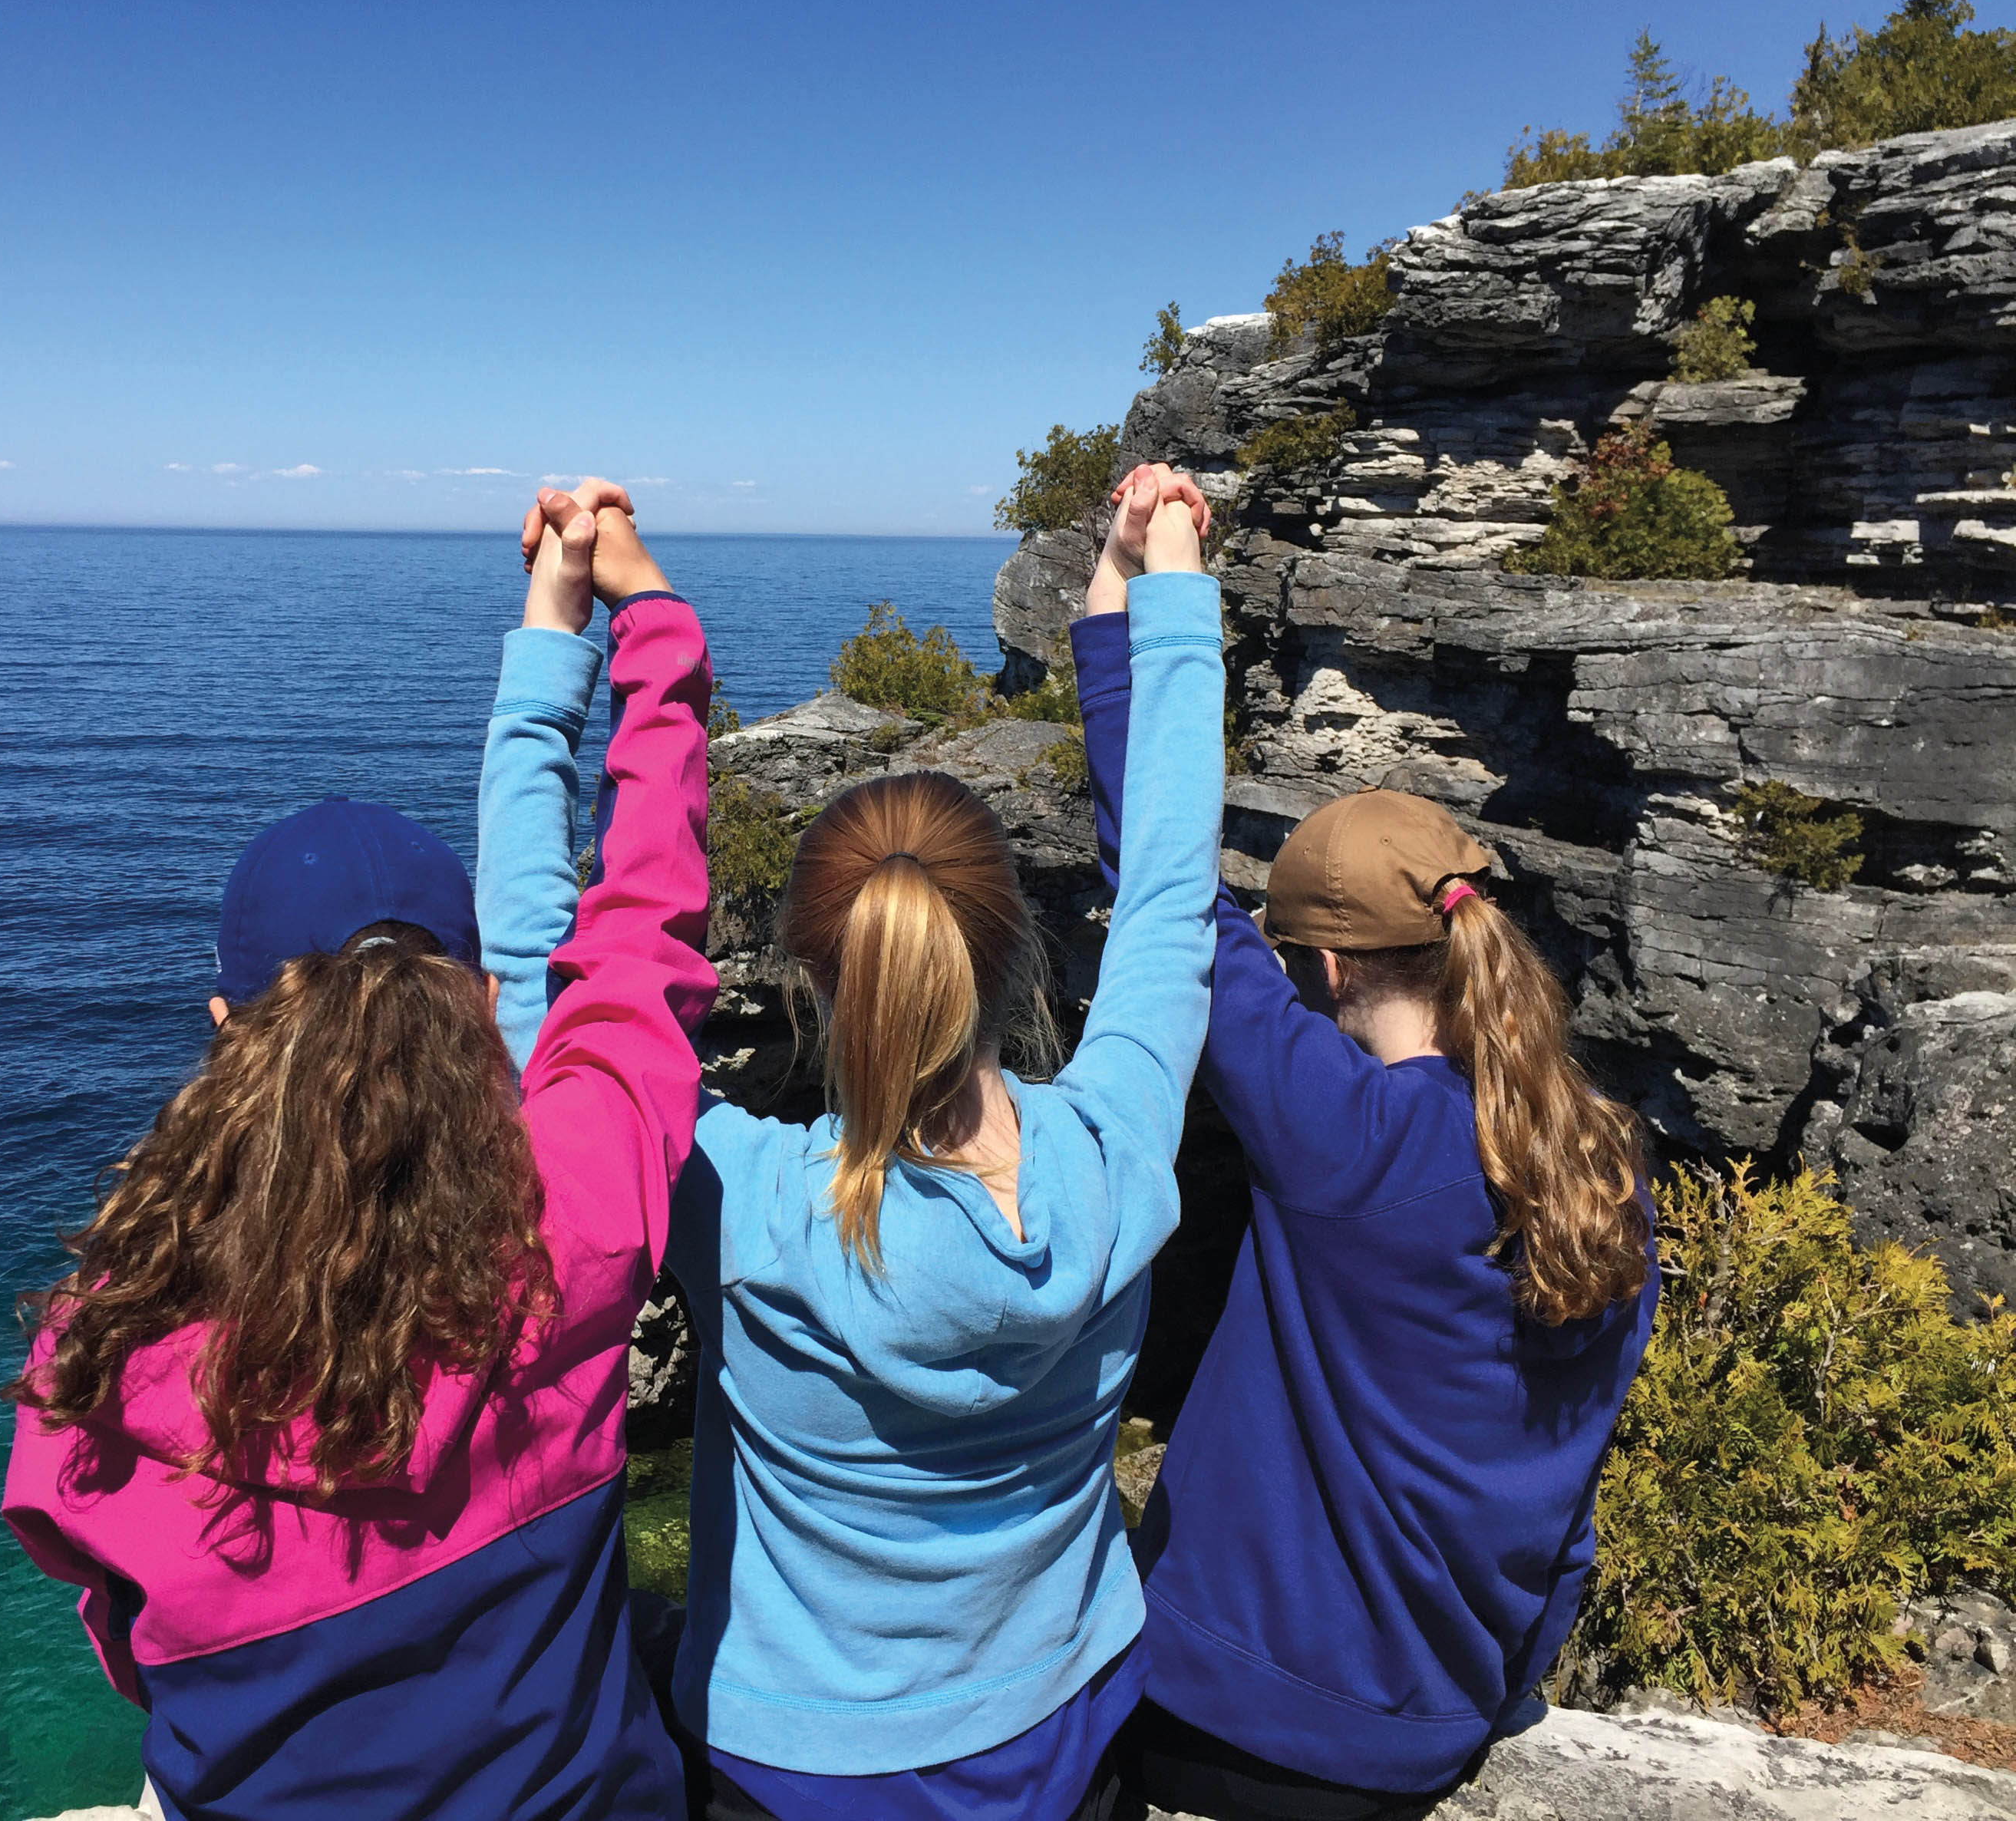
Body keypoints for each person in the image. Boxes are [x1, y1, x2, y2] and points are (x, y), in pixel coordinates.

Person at [477, 469, 1228, 1820]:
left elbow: (549, 995)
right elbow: (1173, 895)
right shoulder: (1118, 1146)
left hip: (803, 1768)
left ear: (812, 987)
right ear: (1017, 963)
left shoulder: (746, 1204)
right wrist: (1158, 587)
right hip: (1073, 1718)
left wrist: (567, 630)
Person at [0, 493, 718, 1821]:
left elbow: (126, 1652)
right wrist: (642, 633)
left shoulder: (102, 1348)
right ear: (490, 1008)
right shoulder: (568, 1233)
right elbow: (643, 930)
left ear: (227, 1031)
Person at [1069, 467, 1661, 1820]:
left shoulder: (1345, 1139)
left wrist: (1138, 585)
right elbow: (1570, 1485)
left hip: (1232, 1720)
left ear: (1325, 974)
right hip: (1435, 1727)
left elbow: (1160, 881)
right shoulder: (1609, 1167)